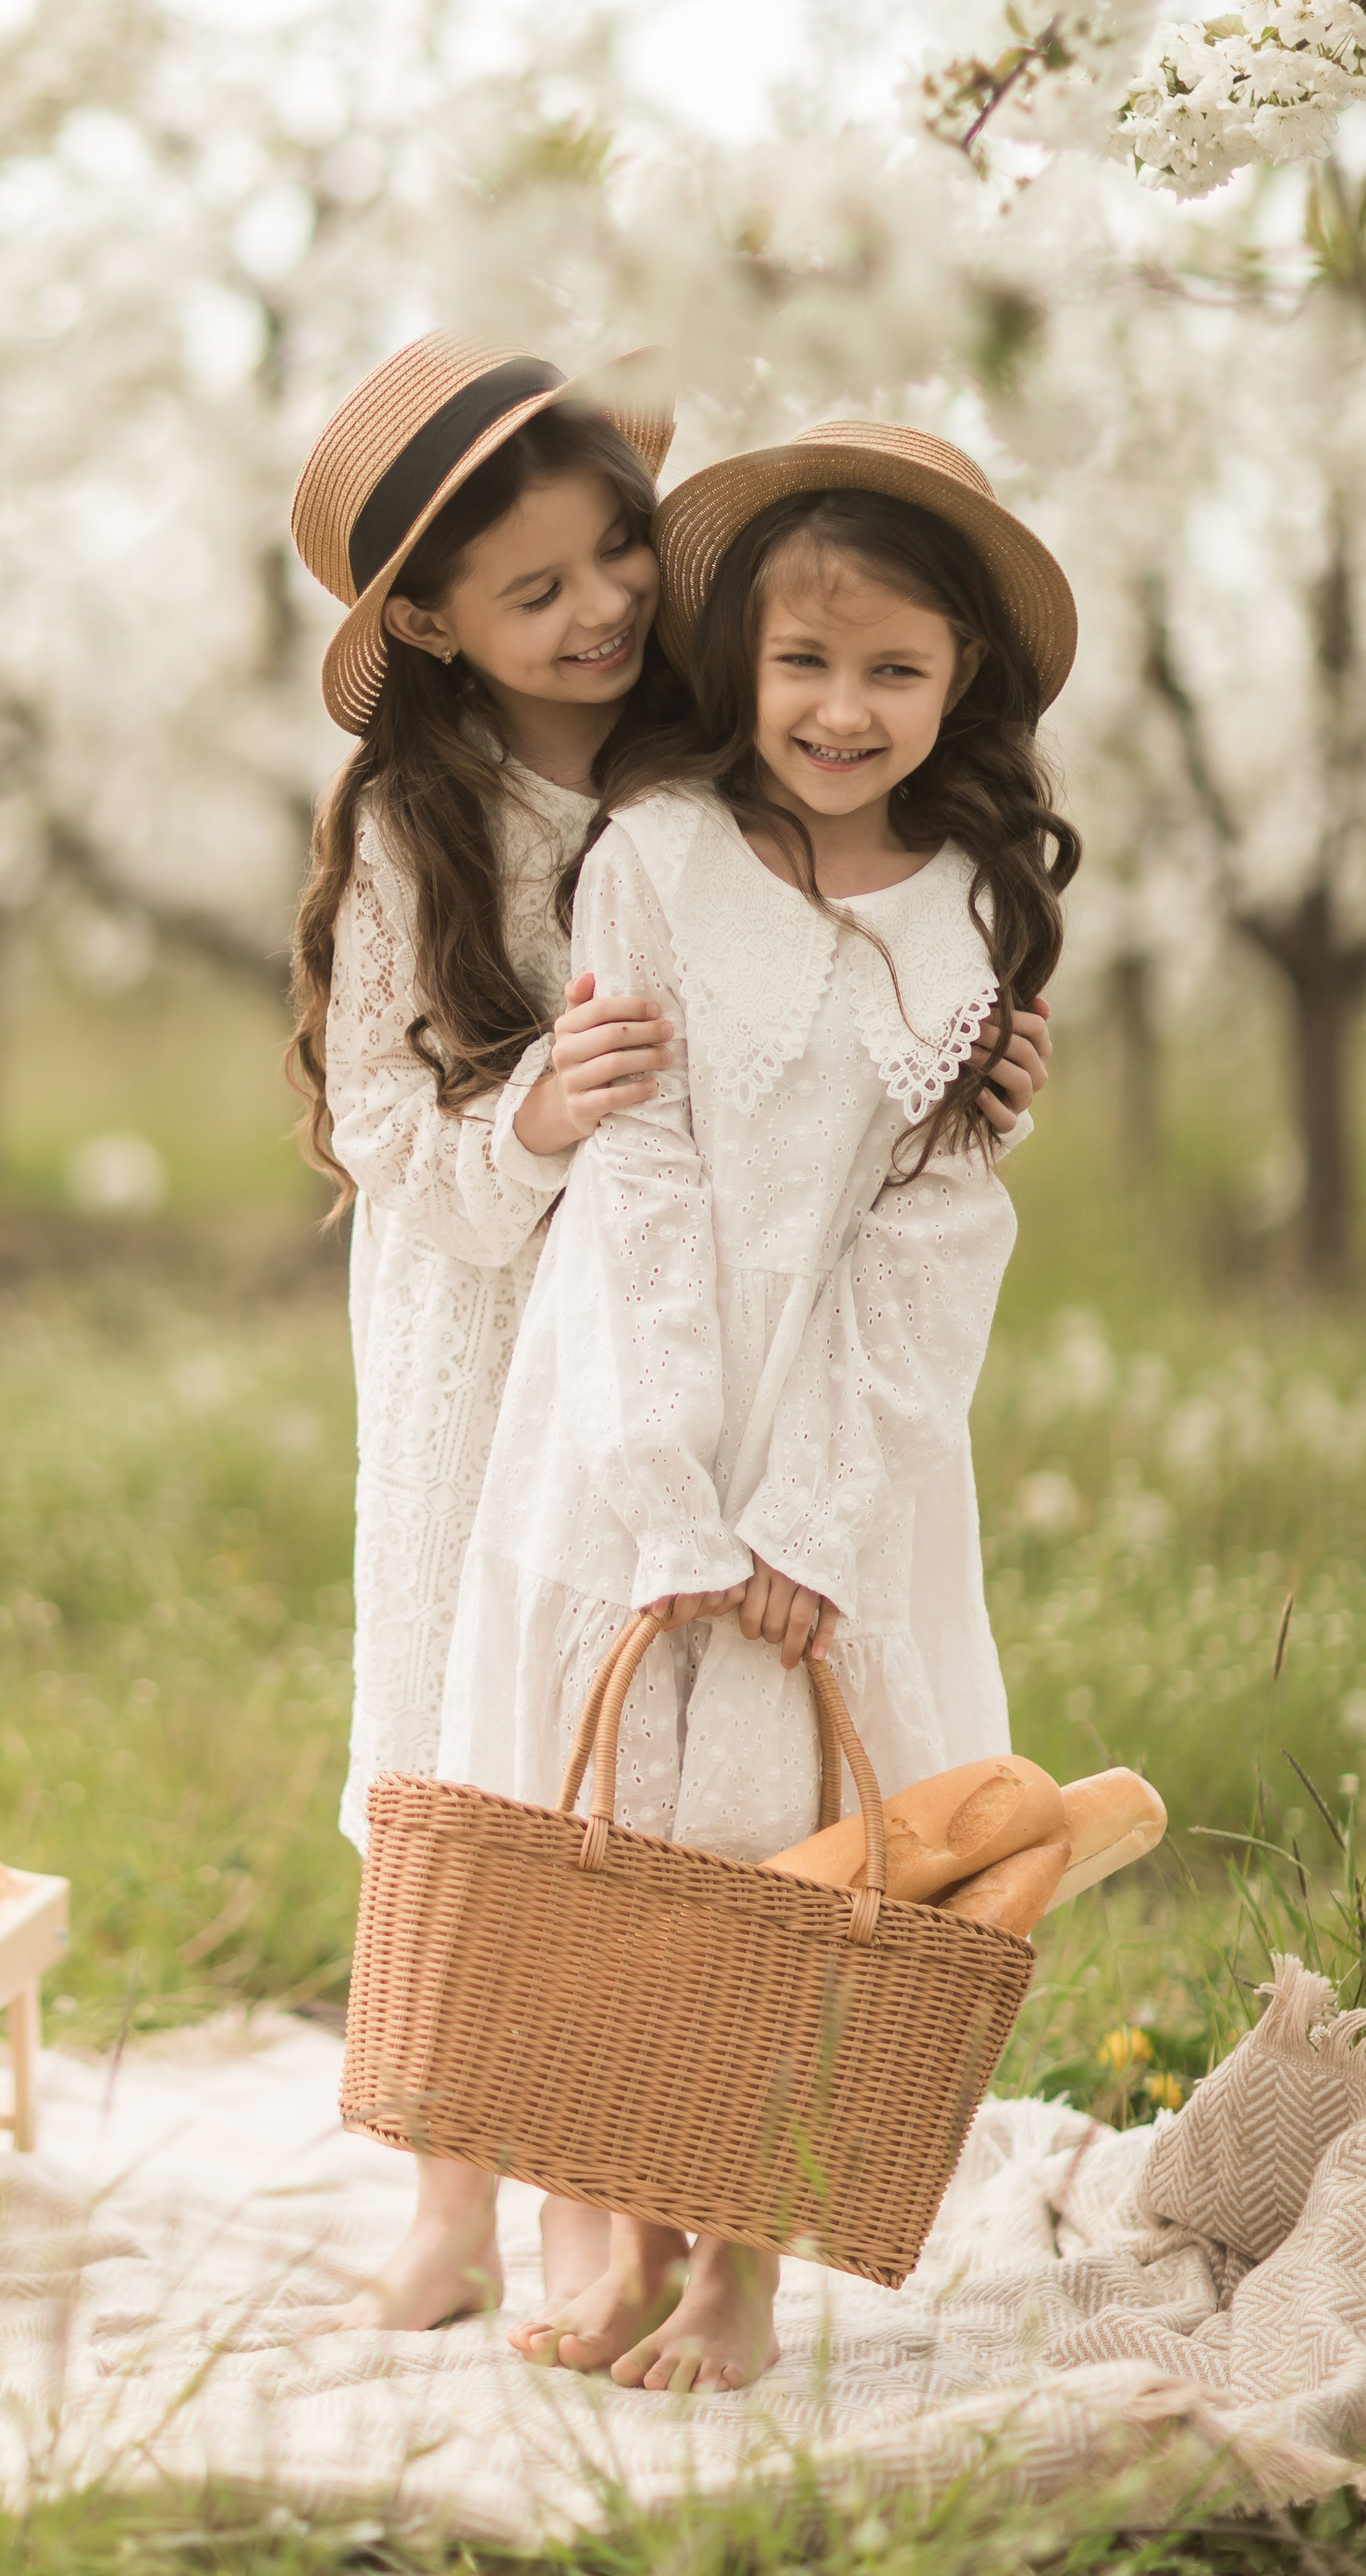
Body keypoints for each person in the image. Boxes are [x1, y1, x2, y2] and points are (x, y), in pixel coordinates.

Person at [287, 354, 1049, 2334]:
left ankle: (621, 2196)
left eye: (614, 547)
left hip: (737, 1325)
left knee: (651, 1763)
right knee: (469, 1729)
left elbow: (867, 983)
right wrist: (531, 1115)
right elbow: (374, 1131)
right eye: (534, 593)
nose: (599, 606)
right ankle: (451, 2191)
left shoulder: (719, 746)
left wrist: (974, 1058)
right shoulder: (414, 816)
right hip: (492, 1305)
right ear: (433, 627)